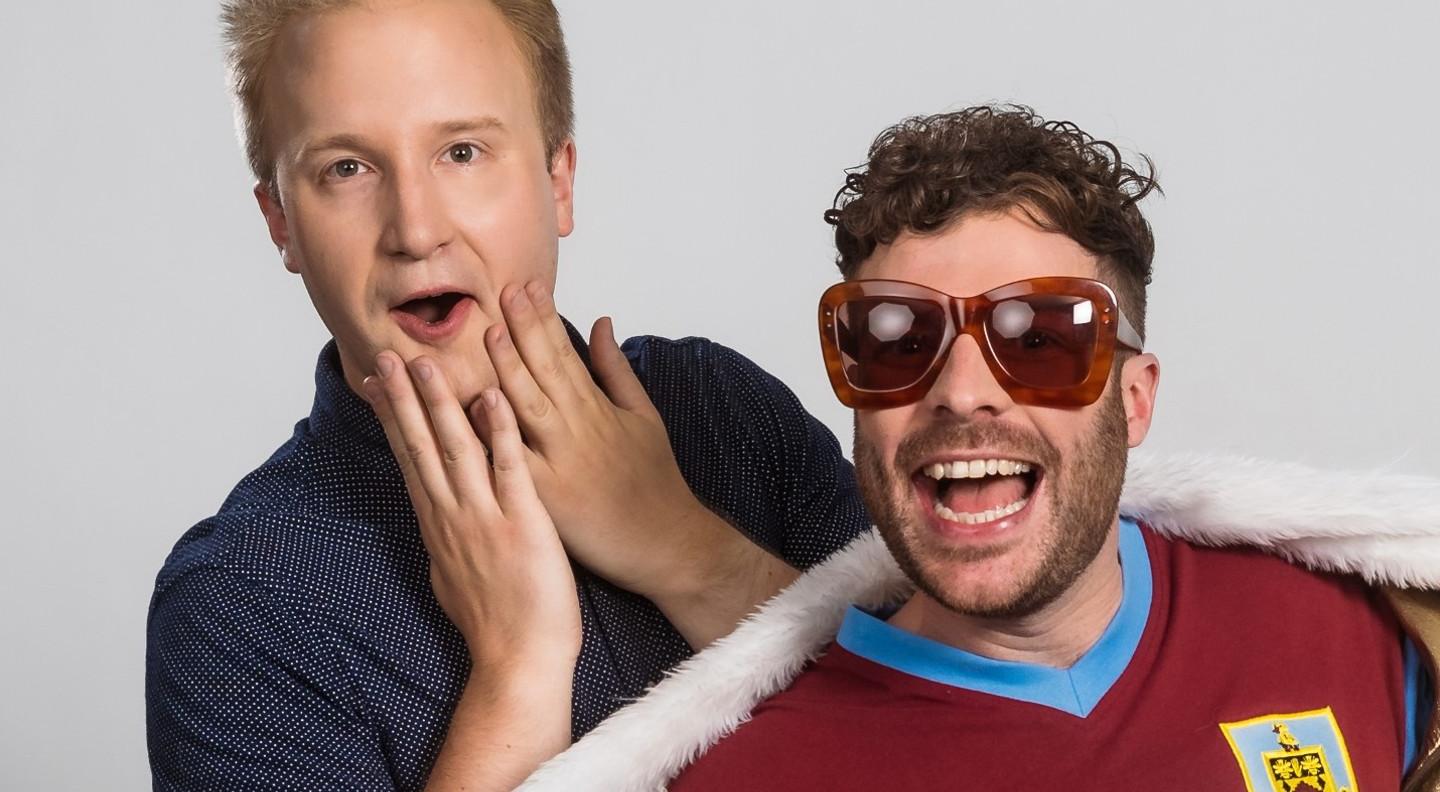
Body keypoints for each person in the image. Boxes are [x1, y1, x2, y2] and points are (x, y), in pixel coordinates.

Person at [517, 106, 1440, 791]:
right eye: (897, 341)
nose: (961, 391)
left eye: (1039, 340)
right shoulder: (755, 775)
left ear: (1135, 397)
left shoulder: (1355, 629)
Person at [143, 1, 868, 789]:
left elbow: (948, 746)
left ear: (559, 179)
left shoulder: (724, 414)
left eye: (461, 151)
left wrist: (689, 553)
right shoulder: (241, 602)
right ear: (280, 220)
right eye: (346, 169)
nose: (415, 230)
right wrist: (516, 672)